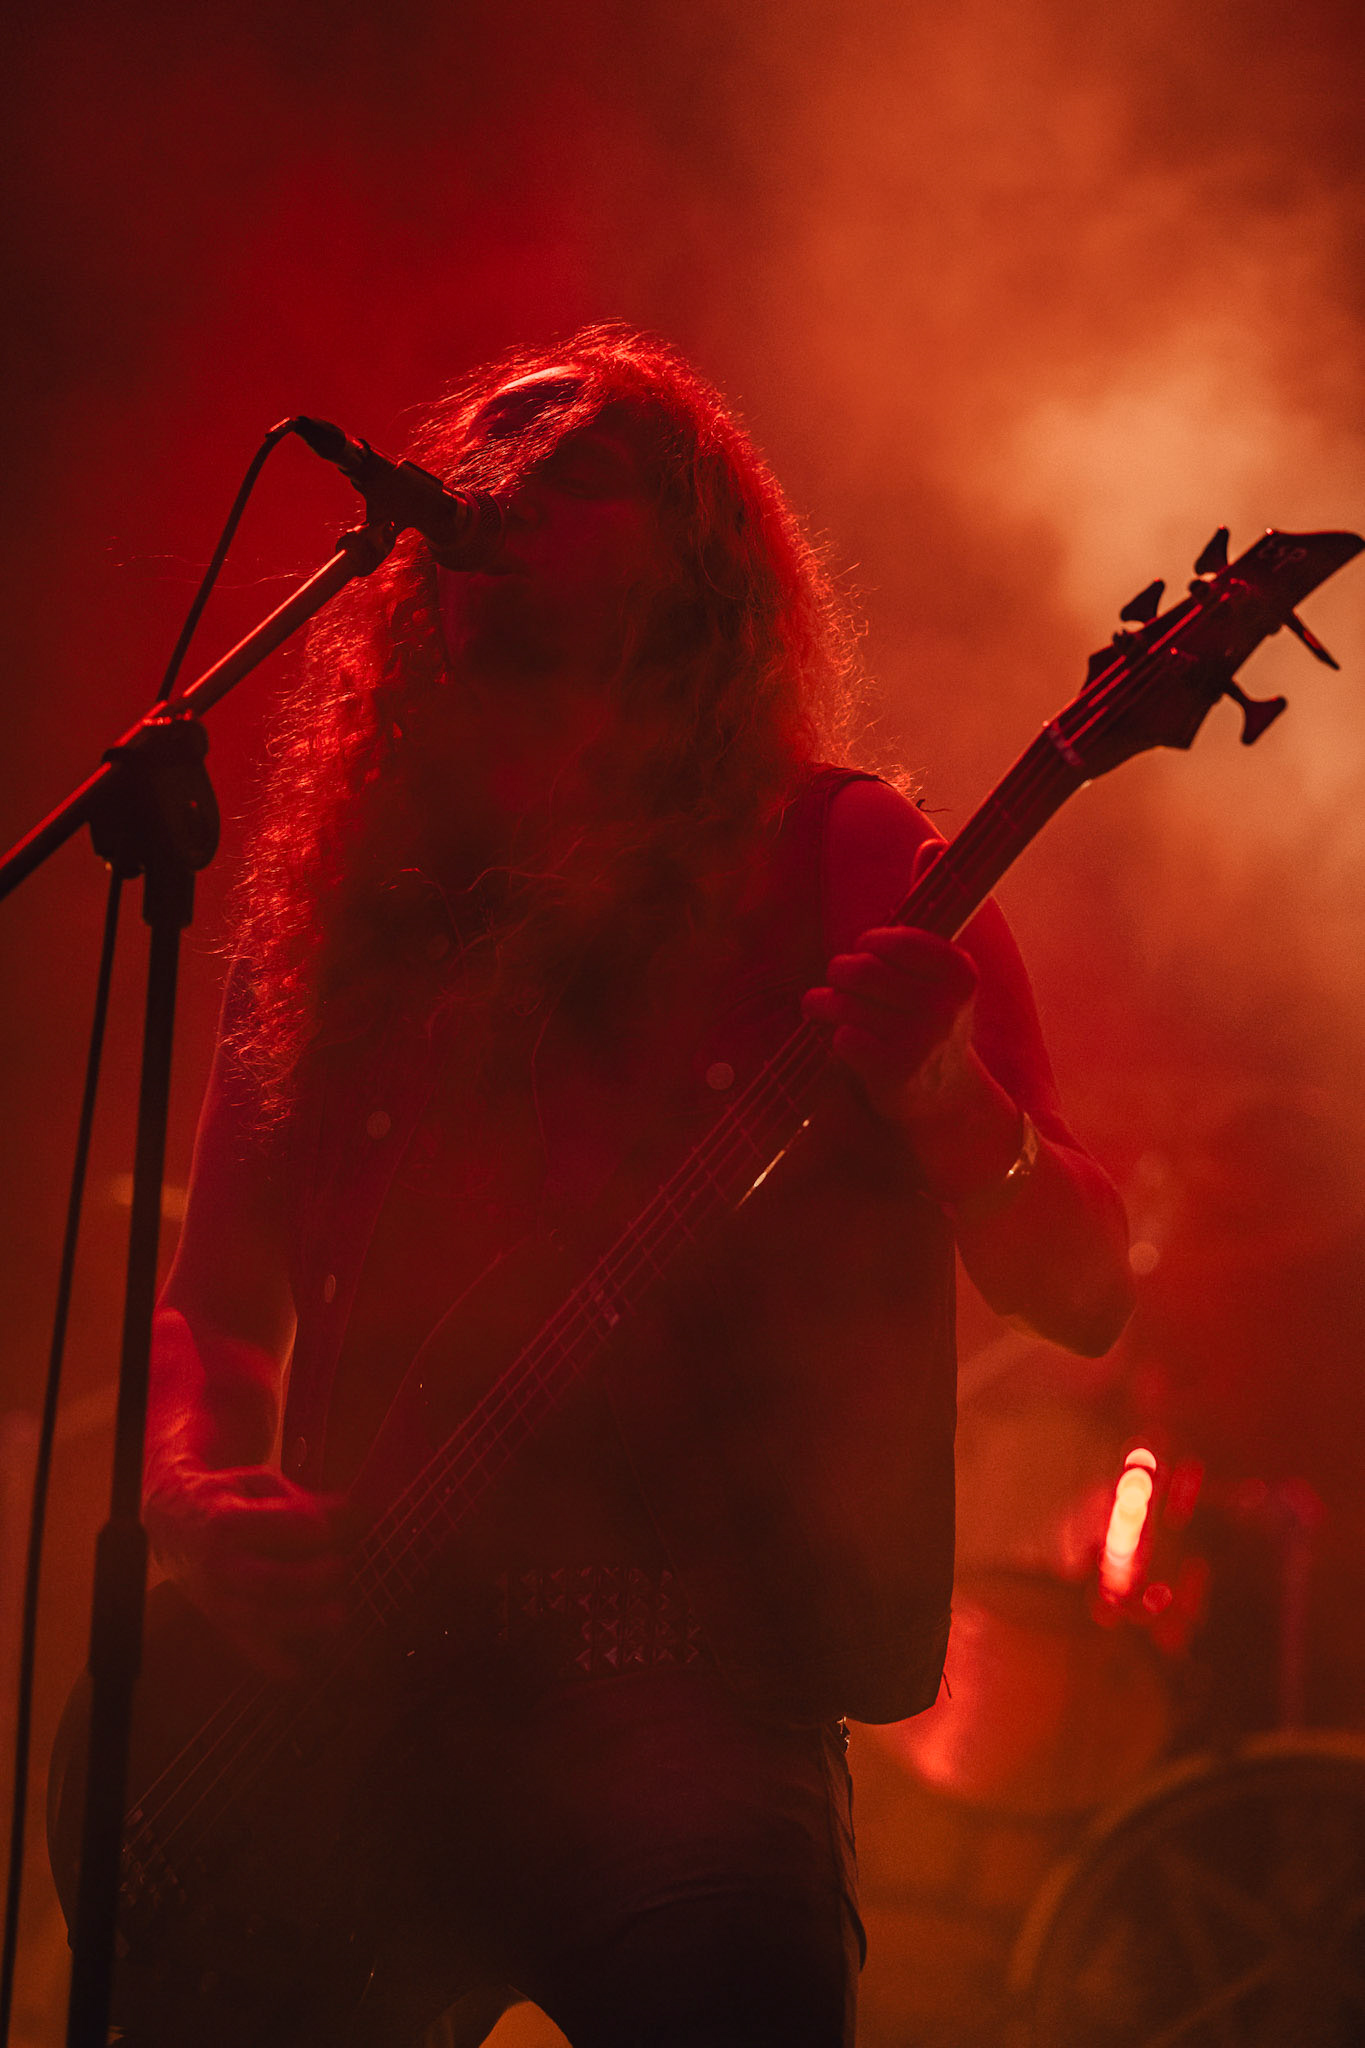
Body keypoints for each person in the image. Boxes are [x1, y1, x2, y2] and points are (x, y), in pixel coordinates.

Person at [141, 328, 1134, 2047]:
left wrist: (942, 1101)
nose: (503, 480)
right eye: (486, 453)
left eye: (578, 466)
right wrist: (197, 1496)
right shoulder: (338, 905)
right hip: (353, 1703)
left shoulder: (840, 851)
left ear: (698, 566)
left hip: (685, 1691)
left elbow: (1088, 1283)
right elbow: (215, 1305)